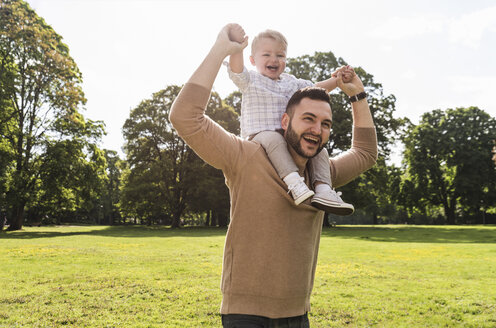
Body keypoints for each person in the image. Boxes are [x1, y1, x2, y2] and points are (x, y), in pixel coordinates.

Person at [169, 24, 377, 328]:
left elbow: (365, 154)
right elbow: (185, 116)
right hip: (245, 316)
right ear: (285, 120)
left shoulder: (322, 175)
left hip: (298, 316)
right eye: (308, 119)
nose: (317, 130)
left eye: (326, 124)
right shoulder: (246, 156)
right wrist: (220, 50)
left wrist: (357, 96)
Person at [226, 24, 355, 215]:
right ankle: (295, 183)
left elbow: (316, 89)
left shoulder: (291, 82)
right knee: (273, 138)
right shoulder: (251, 80)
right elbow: (236, 70)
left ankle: (323, 189)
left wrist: (337, 80)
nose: (274, 59)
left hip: (288, 136)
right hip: (259, 136)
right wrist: (237, 48)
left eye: (280, 55)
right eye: (266, 55)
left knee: (319, 148)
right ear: (253, 60)